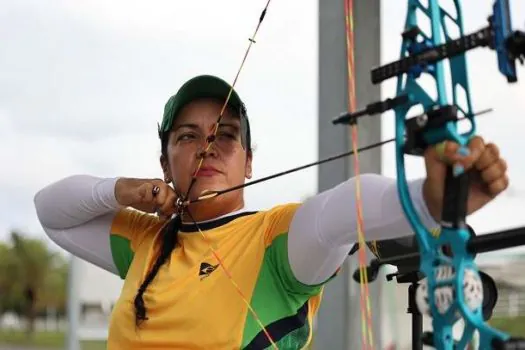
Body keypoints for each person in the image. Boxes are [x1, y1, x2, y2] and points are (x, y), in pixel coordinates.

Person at [34, 74, 509, 349]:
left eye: (225, 136)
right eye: (187, 136)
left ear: (248, 162)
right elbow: (51, 209)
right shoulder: (145, 240)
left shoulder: (272, 240)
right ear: (165, 163)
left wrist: (431, 199)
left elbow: (344, 210)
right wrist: (123, 189)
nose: (207, 148)